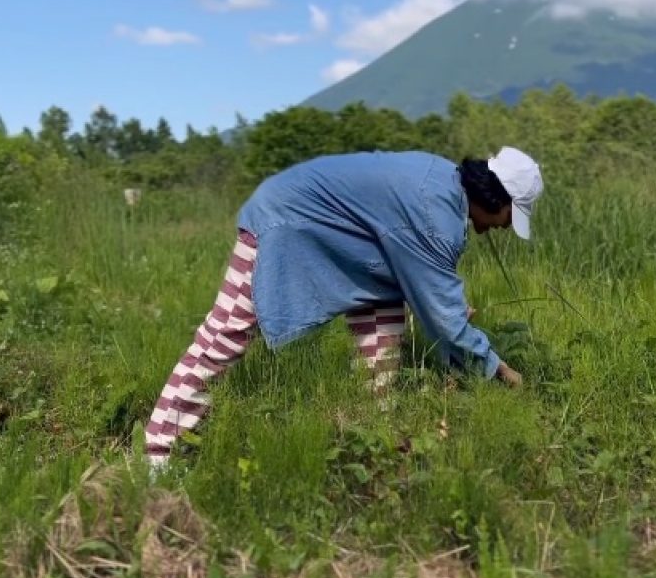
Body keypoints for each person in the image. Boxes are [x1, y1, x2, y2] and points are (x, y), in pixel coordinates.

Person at [144, 145, 543, 469]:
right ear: (496, 196)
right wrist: (500, 369)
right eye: (511, 215)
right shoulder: (436, 214)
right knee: (224, 336)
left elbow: (429, 286)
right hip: (283, 219)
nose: (505, 227)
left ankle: (376, 443)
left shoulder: (442, 180)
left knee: (385, 328)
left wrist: (445, 312)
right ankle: (158, 454)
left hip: (340, 237)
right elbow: (445, 320)